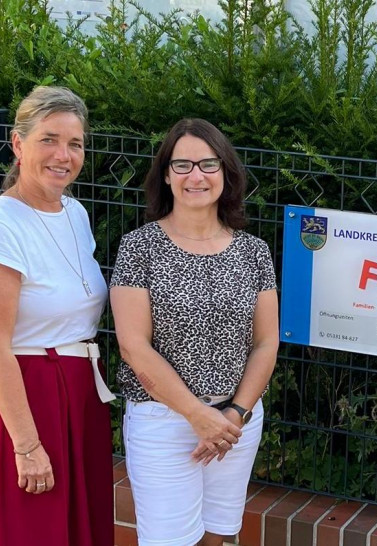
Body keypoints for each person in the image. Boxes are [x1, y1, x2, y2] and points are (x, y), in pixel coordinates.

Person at [110, 118, 278, 546]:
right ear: (166, 175)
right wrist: (197, 414)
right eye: (182, 165)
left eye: (208, 163)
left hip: (235, 423)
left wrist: (234, 414)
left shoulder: (253, 251)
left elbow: (266, 342)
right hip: (164, 423)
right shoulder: (139, 247)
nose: (196, 176)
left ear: (226, 172)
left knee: (217, 536)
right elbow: (133, 347)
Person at [0, 86, 114, 545]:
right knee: (38, 529)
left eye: (75, 143)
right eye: (49, 139)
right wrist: (26, 446)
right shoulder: (5, 224)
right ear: (18, 144)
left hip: (82, 390)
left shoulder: (76, 212)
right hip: (31, 394)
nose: (63, 155)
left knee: (80, 526)